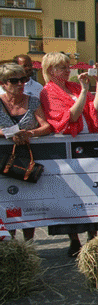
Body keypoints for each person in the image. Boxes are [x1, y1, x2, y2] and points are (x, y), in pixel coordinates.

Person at [39, 52, 98, 256]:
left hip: (87, 143)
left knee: (93, 189)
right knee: (71, 194)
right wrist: (84, 92)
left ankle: (93, 235)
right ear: (51, 71)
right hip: (66, 148)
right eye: (63, 68)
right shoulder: (48, 92)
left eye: (68, 67)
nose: (69, 71)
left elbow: (95, 109)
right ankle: (74, 239)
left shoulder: (74, 87)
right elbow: (69, 118)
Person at [0, 63, 52, 243]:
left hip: (27, 159)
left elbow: (46, 126)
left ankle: (29, 245)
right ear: (3, 83)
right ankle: (11, 246)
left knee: (29, 203)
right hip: (3, 160)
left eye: (23, 79)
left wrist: (30, 133)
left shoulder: (33, 101)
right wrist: (9, 133)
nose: (20, 84)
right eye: (14, 81)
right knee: (7, 204)